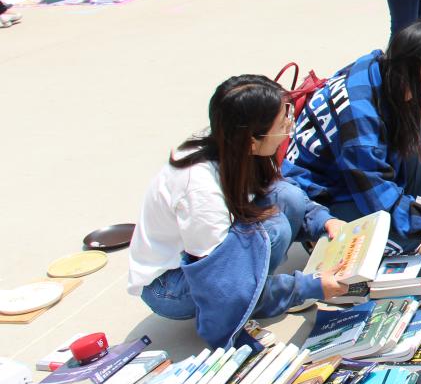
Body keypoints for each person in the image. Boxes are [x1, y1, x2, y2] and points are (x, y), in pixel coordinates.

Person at [130, 75, 349, 349]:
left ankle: (262, 291)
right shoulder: (199, 190)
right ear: (252, 141)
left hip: (205, 262)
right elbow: (220, 286)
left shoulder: (231, 145)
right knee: (273, 227)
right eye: (282, 124)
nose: (289, 127)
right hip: (171, 287)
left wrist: (325, 221)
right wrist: (307, 287)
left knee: (286, 196)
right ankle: (260, 298)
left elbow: (281, 192)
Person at [283, 19, 421, 255]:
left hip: (349, 178)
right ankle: (319, 239)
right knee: (399, 240)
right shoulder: (360, 122)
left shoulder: (380, 65)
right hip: (321, 199)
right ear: (404, 68)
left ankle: (407, 222)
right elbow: (379, 199)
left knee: (411, 130)